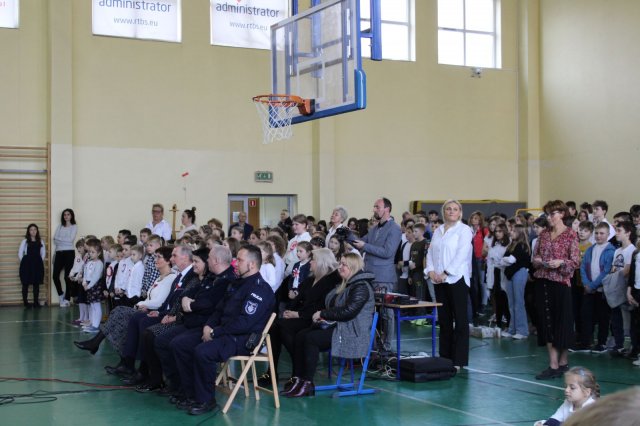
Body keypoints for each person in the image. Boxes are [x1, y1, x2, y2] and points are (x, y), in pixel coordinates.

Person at [170, 245, 275, 415]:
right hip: (222, 331)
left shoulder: (260, 289)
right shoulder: (236, 283)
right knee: (180, 344)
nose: (235, 263)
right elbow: (219, 310)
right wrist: (208, 326)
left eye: (239, 260)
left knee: (203, 352)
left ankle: (206, 400)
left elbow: (244, 323)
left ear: (252, 265)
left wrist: (214, 333)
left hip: (241, 339)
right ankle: (190, 394)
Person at [284, 253, 375, 398]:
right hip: (340, 327)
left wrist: (323, 314)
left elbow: (348, 312)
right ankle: (299, 379)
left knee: (310, 339)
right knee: (301, 335)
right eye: (340, 264)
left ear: (353, 267)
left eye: (344, 265)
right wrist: (325, 315)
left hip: (352, 333)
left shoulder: (361, 287)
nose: (340, 267)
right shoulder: (347, 284)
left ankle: (308, 383)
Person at [258, 248, 341, 387]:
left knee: (283, 328)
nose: (310, 262)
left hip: (314, 319)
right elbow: (297, 299)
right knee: (274, 328)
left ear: (321, 262)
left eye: (313, 260)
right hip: (300, 316)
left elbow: (322, 306)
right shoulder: (310, 280)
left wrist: (297, 314)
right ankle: (272, 371)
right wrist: (289, 311)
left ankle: (297, 372)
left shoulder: (330, 282)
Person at [73, 246, 176, 355]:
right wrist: (142, 304)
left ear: (168, 261)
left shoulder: (171, 278)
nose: (155, 260)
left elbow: (159, 302)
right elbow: (150, 298)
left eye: (159, 257)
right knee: (118, 311)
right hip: (146, 308)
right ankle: (101, 346)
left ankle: (97, 343)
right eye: (155, 257)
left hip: (155, 312)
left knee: (120, 313)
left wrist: (140, 304)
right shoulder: (159, 278)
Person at [532, 200, 580, 380]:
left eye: (552, 214)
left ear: (562, 214)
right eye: (547, 214)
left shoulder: (570, 235)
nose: (549, 217)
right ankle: (553, 364)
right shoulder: (544, 234)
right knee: (547, 323)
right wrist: (538, 261)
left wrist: (561, 262)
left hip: (560, 283)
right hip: (543, 281)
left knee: (562, 322)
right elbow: (536, 255)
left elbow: (575, 261)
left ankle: (563, 362)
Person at [425, 199, 473, 369]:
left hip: (456, 279)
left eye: (455, 209)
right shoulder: (438, 230)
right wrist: (431, 271)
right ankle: (445, 357)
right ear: (443, 212)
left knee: (460, 320)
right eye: (448, 209)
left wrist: (446, 273)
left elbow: (462, 254)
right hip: (438, 279)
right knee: (444, 320)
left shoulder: (464, 230)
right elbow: (431, 252)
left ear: (460, 213)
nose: (451, 211)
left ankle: (459, 360)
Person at [351, 197, 402, 347]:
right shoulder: (374, 228)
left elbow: (387, 252)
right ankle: (372, 344)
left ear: (387, 209)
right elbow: (360, 243)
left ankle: (387, 345)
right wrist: (348, 236)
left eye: (377, 207)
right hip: (369, 274)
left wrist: (365, 246)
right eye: (374, 207)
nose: (374, 209)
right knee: (370, 310)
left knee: (386, 313)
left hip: (383, 276)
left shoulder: (394, 228)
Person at [577, 222, 614, 353]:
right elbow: (583, 267)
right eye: (597, 233)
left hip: (601, 290)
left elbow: (606, 271)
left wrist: (592, 285)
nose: (598, 236)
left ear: (608, 234)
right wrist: (586, 284)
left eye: (602, 233)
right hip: (589, 289)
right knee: (586, 316)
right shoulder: (590, 249)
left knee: (603, 317)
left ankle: (601, 343)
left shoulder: (611, 251)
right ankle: (585, 342)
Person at [534, 367, 599, 426]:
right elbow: (554, 420)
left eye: (572, 388)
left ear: (587, 392)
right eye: (566, 386)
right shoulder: (568, 402)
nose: (566, 390)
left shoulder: (591, 411)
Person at [500, 224, 531, 339]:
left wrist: (506, 260)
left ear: (519, 233)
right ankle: (512, 329)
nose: (510, 232)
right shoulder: (511, 245)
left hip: (519, 273)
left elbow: (511, 260)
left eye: (513, 231)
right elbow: (503, 260)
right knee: (511, 303)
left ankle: (522, 330)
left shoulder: (522, 246)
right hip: (510, 274)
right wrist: (506, 260)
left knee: (518, 302)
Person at [52, 208, 78, 307]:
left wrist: (59, 239)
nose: (66, 216)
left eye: (68, 214)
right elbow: (54, 240)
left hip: (69, 253)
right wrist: (62, 240)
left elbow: (70, 240)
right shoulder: (60, 226)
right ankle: (61, 294)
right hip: (59, 252)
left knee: (67, 277)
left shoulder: (74, 226)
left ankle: (67, 298)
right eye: (64, 214)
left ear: (71, 216)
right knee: (55, 276)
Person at [18, 224, 46, 308]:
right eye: (31, 230)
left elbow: (43, 253)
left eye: (35, 229)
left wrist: (39, 261)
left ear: (37, 231)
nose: (33, 231)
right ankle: (25, 303)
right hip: (27, 264)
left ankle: (36, 303)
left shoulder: (40, 241)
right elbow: (20, 253)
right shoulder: (25, 241)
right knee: (25, 283)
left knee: (36, 283)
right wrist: (24, 261)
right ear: (28, 231)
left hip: (37, 264)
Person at [82, 239, 105, 333]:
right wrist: (84, 283)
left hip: (95, 286)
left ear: (98, 253)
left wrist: (89, 286)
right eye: (89, 252)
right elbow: (85, 273)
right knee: (92, 305)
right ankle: (93, 323)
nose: (90, 254)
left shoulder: (99, 263)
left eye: (93, 252)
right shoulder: (89, 262)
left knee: (96, 306)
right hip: (88, 285)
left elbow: (96, 276)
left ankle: (96, 325)